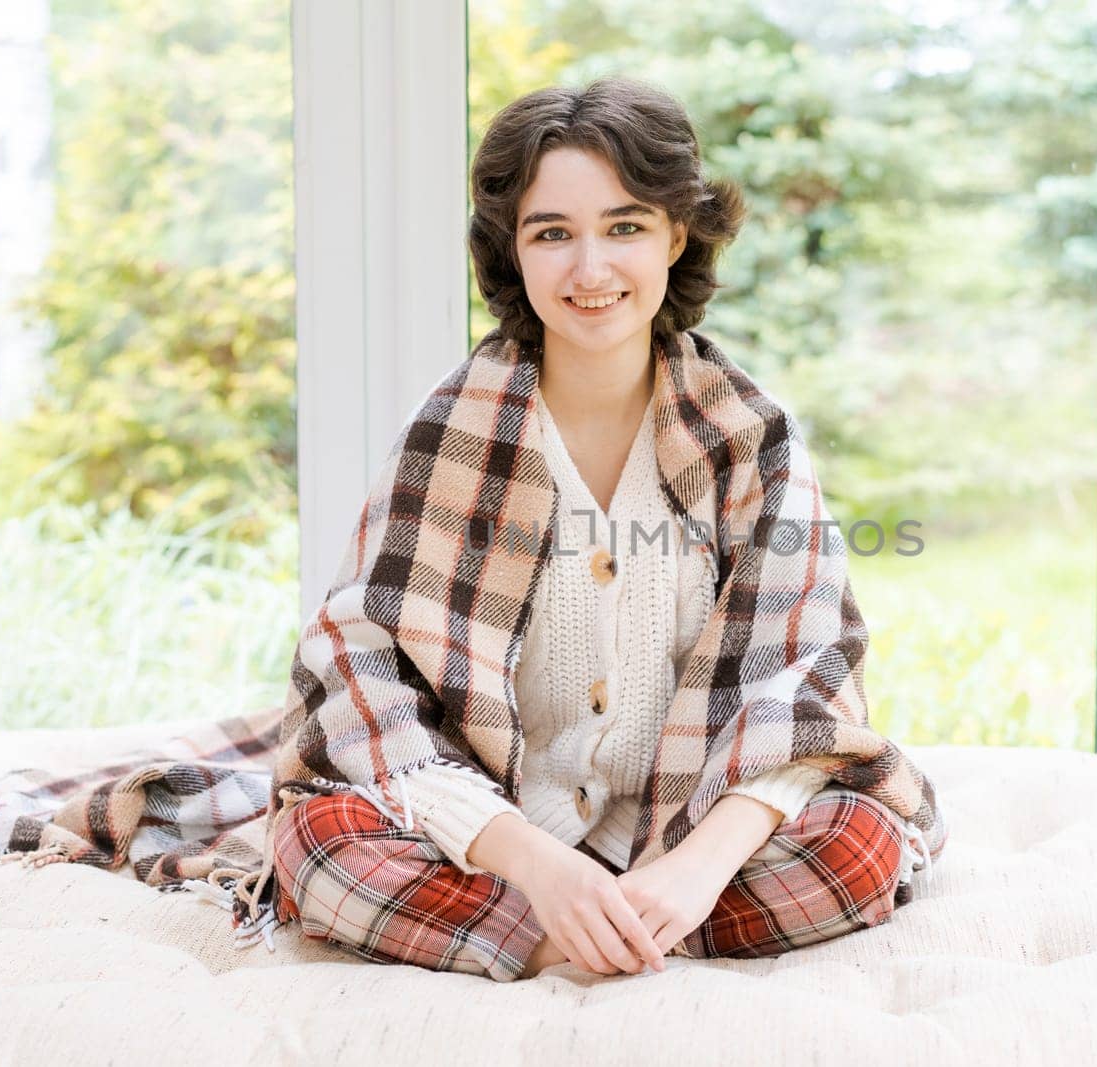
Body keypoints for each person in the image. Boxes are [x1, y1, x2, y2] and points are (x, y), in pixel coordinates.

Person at [266, 76, 944, 983]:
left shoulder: (748, 434)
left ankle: (610, 927)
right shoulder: (452, 430)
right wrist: (538, 866)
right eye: (554, 233)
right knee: (318, 843)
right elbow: (364, 670)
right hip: (499, 838)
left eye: (624, 226)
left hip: (690, 827)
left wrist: (695, 871)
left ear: (675, 234)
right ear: (514, 251)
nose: (591, 270)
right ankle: (587, 934)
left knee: (856, 844)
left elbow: (805, 678)